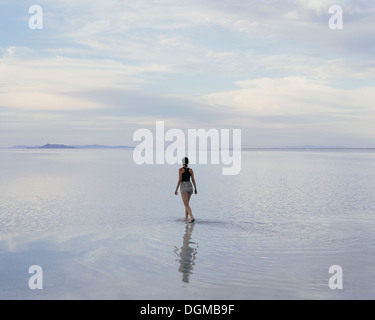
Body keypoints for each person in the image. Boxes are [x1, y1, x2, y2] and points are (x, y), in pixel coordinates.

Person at [175, 157, 197, 223]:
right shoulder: (191, 170)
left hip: (184, 186)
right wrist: (195, 188)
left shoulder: (180, 170)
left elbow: (180, 179)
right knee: (187, 204)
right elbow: (193, 179)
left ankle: (192, 217)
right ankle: (186, 217)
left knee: (186, 204)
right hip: (190, 186)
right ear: (188, 162)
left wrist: (176, 189)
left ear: (182, 163)